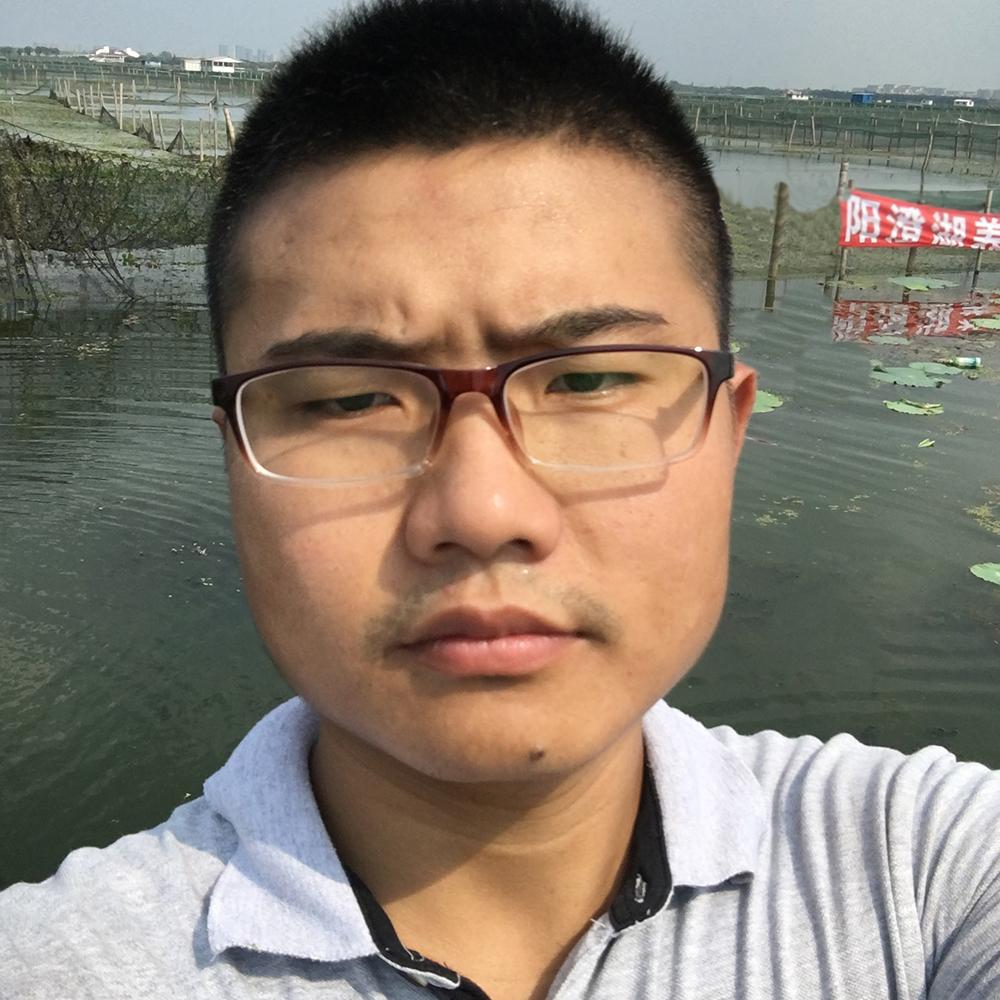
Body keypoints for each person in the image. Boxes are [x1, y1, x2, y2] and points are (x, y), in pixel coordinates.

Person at [2, 0, 999, 997]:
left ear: (728, 433)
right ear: (236, 459)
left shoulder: (925, 872)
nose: (481, 513)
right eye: (348, 399)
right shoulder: (60, 964)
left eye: (589, 380)